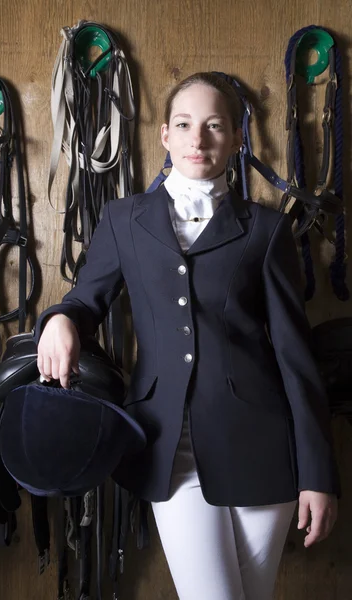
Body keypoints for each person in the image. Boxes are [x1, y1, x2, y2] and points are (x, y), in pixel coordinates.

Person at [36, 72, 339, 600]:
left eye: (215, 126)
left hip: (264, 447)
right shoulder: (123, 220)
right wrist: (59, 320)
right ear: (165, 137)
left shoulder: (269, 231)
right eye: (184, 124)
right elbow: (86, 302)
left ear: (238, 138)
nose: (198, 140)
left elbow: (296, 358)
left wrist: (318, 473)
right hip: (168, 451)